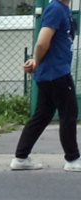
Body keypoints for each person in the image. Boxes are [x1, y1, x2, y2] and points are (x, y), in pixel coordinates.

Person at [11, 0, 79, 171]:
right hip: (56, 72)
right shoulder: (55, 9)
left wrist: (37, 63)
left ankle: (21, 158)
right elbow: (42, 42)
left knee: (43, 115)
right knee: (69, 113)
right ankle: (72, 159)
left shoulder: (62, 9)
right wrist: (36, 62)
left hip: (50, 72)